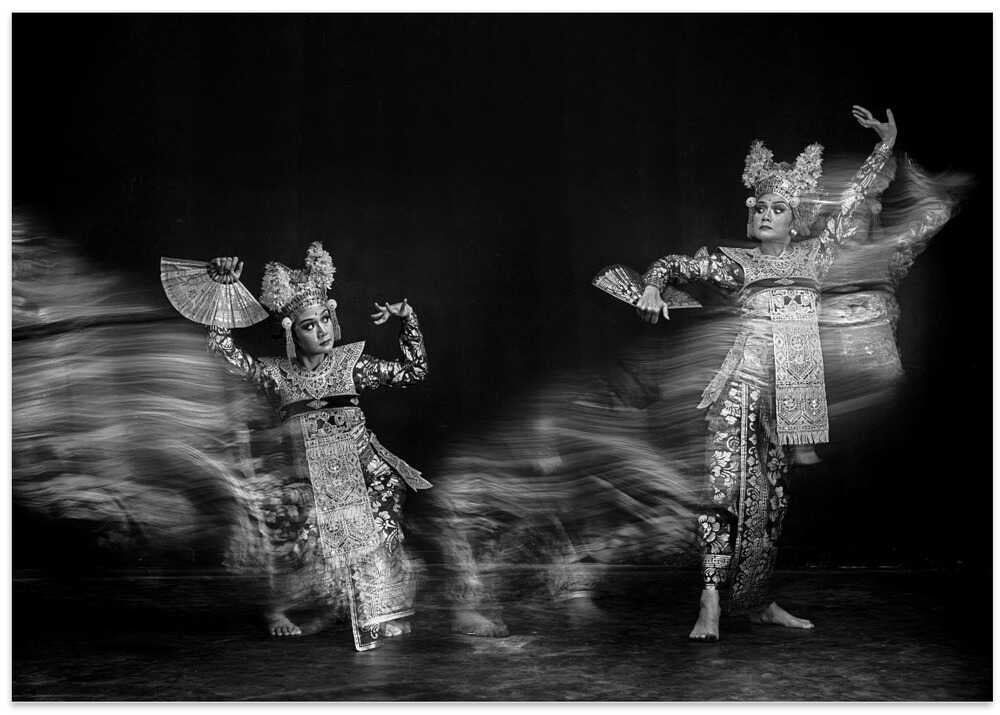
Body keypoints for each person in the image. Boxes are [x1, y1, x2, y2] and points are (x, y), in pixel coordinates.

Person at [636, 105, 897, 641]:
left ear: (795, 216)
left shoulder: (815, 256)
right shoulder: (737, 264)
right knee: (724, 493)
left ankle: (755, 600)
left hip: (793, 402)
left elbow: (849, 204)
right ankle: (710, 600)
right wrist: (651, 285)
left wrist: (883, 148)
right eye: (759, 206)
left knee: (772, 504)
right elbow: (672, 263)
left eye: (779, 207)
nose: (765, 214)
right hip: (741, 390)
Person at [206, 242, 431, 651]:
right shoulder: (276, 374)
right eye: (310, 325)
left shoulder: (352, 364)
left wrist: (407, 320)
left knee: (379, 525)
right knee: (299, 529)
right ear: (293, 330)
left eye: (326, 319)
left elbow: (414, 371)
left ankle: (374, 610)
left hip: (364, 469)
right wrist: (224, 295)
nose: (323, 330)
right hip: (306, 474)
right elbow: (225, 356)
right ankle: (283, 607)